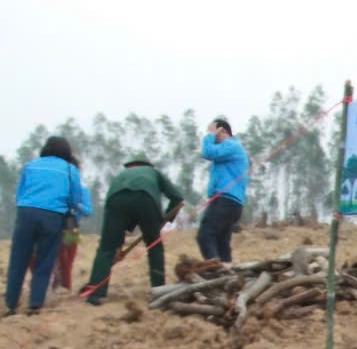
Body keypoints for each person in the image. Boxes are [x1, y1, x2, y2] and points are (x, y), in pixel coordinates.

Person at [5, 137, 92, 316]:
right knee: (46, 260)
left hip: (26, 213)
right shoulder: (70, 170)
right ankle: (35, 304)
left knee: (18, 260)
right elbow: (75, 199)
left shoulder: (30, 166)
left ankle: (11, 304)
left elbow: (20, 194)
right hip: (54, 217)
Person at [82, 157, 185, 305]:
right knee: (154, 246)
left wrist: (116, 243)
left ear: (130, 166)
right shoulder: (153, 172)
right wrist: (164, 220)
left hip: (115, 201)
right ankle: (159, 289)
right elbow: (177, 198)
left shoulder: (120, 176)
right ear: (147, 165)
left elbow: (113, 214)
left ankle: (95, 292)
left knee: (106, 248)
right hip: (146, 200)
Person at [197, 118, 248, 263]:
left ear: (222, 131)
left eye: (214, 132)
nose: (212, 137)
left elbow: (207, 152)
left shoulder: (231, 145)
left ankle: (217, 271)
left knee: (205, 235)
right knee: (221, 242)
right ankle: (227, 273)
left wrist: (209, 135)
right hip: (230, 202)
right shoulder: (229, 151)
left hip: (225, 201)